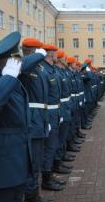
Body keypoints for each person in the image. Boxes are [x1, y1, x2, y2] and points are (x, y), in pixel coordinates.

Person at [19, 38, 56, 202]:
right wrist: (40, 55)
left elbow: (44, 100)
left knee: (38, 159)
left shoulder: (39, 69)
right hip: (31, 122)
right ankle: (31, 196)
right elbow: (24, 65)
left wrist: (46, 119)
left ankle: (34, 193)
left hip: (40, 120)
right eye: (39, 50)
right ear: (32, 51)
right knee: (32, 161)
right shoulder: (22, 65)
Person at [0, 32, 31, 202]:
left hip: (18, 161)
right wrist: (8, 76)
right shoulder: (4, 80)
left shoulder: (11, 79)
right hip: (2, 165)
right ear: (6, 61)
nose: (19, 62)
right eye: (16, 58)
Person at [41, 44, 65, 191]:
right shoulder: (44, 71)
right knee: (49, 147)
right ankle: (46, 179)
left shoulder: (52, 70)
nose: (57, 55)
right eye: (55, 53)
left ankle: (51, 172)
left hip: (55, 112)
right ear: (51, 54)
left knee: (54, 143)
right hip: (48, 114)